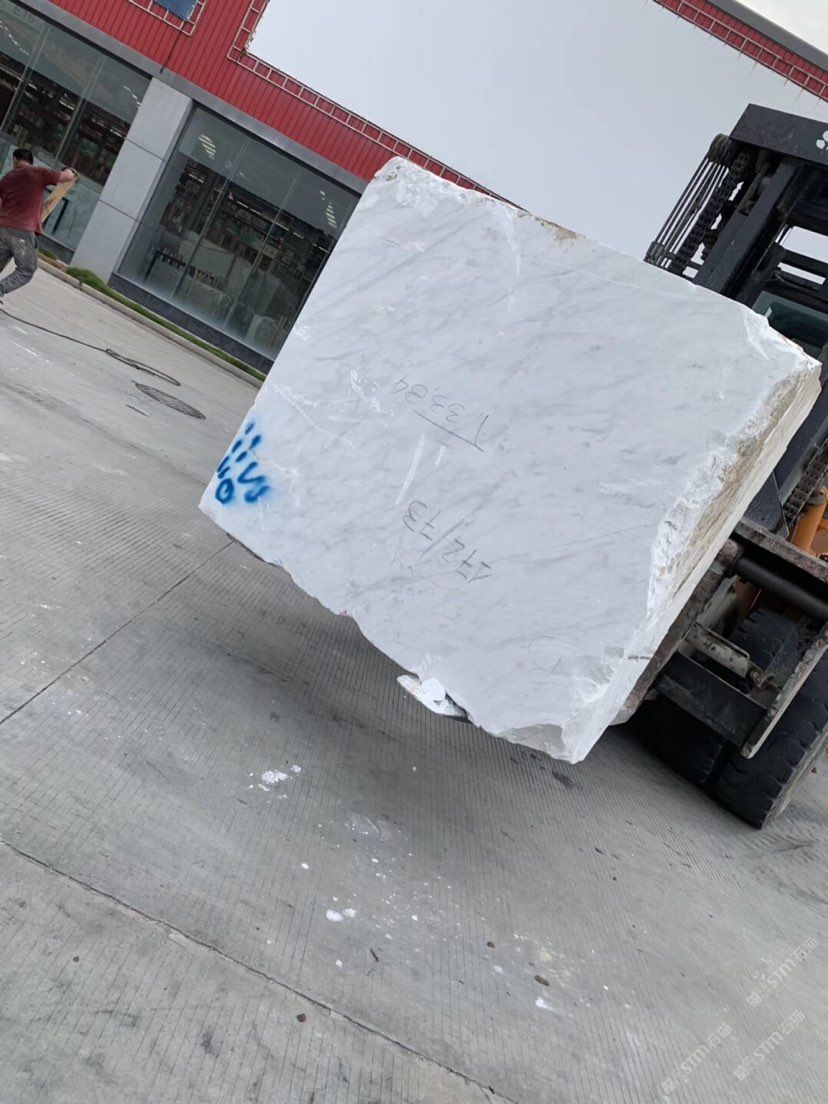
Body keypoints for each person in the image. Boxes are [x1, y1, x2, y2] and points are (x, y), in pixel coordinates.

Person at [0, 148, 77, 300]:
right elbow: (67, 176)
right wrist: (70, 170)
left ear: (15, 159)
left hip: (2, 227)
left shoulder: (8, 177)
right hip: (22, 230)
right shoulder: (38, 172)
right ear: (31, 161)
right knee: (27, 270)